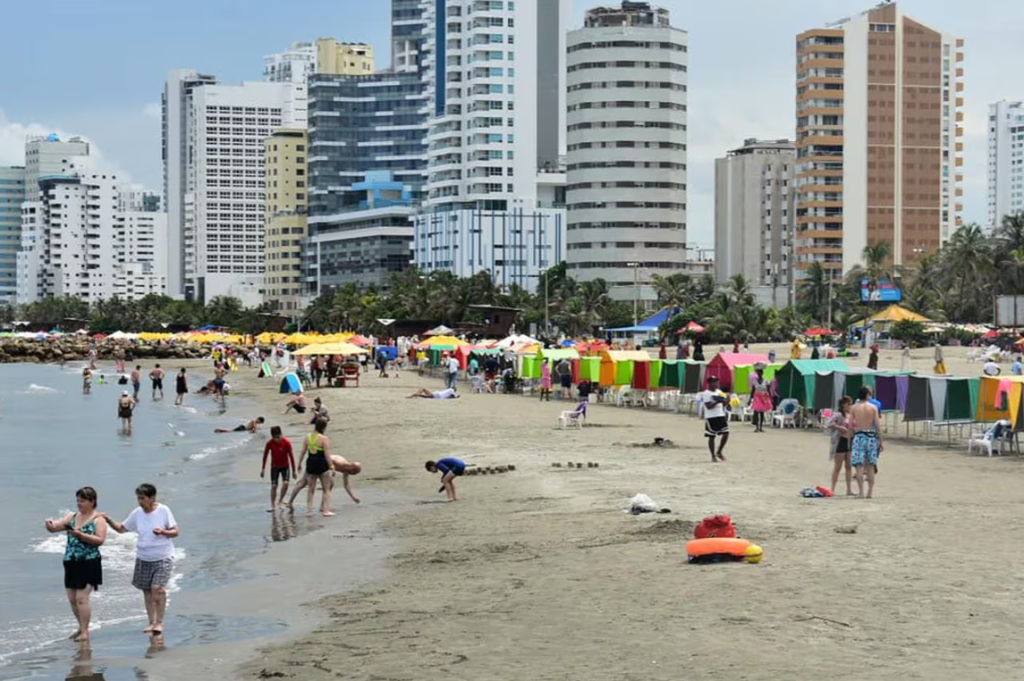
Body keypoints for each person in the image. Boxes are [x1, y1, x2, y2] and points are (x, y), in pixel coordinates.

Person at [104, 484, 179, 636]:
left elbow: (176, 532)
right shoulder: (137, 513)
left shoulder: (163, 510)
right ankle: (151, 622)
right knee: (147, 591)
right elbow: (121, 529)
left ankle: (159, 623)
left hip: (163, 556)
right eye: (138, 498)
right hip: (144, 557)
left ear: (152, 498)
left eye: (142, 498)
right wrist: (107, 520)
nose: (139, 501)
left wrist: (163, 532)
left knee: (158, 588)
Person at [44, 486, 107, 642]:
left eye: (83, 501)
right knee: (72, 599)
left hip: (89, 561)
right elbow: (55, 527)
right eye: (78, 500)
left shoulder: (98, 519)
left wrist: (81, 535)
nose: (79, 504)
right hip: (71, 561)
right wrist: (50, 525)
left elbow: (100, 540)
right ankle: (81, 627)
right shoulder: (72, 516)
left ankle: (85, 631)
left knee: (81, 598)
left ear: (92, 502)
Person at [287, 453, 362, 508]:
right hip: (317, 463)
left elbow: (346, 485)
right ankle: (290, 502)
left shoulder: (346, 471)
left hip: (323, 468)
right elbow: (328, 457)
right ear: (352, 468)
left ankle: (322, 506)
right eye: (355, 472)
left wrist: (353, 497)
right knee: (303, 483)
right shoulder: (341, 462)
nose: (354, 474)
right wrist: (332, 468)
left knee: (329, 484)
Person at [849, 387, 883, 498]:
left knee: (858, 465)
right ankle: (870, 492)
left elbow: (850, 426)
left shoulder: (853, 408)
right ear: (868, 395)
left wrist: (850, 438)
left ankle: (861, 492)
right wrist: (881, 441)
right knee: (871, 465)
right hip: (871, 436)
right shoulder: (873, 407)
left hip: (859, 436)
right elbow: (877, 426)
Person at [296, 419, 334, 517]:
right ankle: (326, 511)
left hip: (311, 464)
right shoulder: (324, 438)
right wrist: (332, 466)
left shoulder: (307, 437)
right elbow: (327, 454)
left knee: (311, 489)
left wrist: (299, 464)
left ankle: (309, 512)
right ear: (324, 427)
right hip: (322, 465)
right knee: (326, 489)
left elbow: (303, 452)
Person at [261, 426, 297, 511]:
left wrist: (294, 471)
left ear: (281, 434)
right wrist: (263, 469)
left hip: (285, 466)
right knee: (274, 486)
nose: (277, 439)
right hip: (275, 467)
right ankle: (272, 505)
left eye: (278, 437)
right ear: (272, 437)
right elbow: (265, 456)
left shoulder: (286, 442)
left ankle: (280, 500)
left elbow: (291, 457)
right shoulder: (269, 443)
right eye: (275, 438)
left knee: (285, 483)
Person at [828, 396, 854, 496]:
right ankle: (832, 489)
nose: (850, 406)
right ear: (843, 405)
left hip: (850, 441)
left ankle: (849, 489)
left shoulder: (851, 414)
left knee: (849, 466)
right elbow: (829, 424)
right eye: (849, 404)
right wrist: (840, 427)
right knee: (837, 467)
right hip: (840, 441)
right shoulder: (838, 414)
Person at [699, 376, 730, 462]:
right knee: (711, 436)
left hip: (720, 415)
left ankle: (719, 451)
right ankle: (713, 455)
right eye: (713, 382)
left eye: (716, 382)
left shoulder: (719, 392)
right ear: (709, 383)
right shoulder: (706, 393)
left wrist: (727, 400)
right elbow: (708, 406)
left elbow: (724, 404)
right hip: (711, 417)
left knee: (726, 432)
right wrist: (717, 401)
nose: (715, 384)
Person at [748, 369, 772, 433]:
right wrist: (750, 399)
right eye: (758, 373)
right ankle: (757, 427)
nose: (759, 374)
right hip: (756, 397)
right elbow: (752, 391)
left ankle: (761, 427)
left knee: (762, 413)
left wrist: (770, 397)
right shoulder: (755, 381)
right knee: (756, 412)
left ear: (762, 373)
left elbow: (768, 390)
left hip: (763, 397)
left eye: (760, 372)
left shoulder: (766, 380)